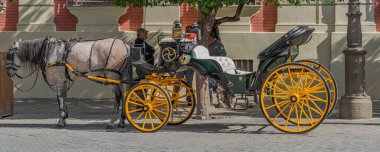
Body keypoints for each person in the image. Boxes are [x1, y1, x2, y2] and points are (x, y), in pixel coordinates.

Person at [206, 32, 230, 108]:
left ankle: (222, 102)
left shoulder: (219, 45)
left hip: (217, 69)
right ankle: (210, 103)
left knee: (214, 85)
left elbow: (223, 57)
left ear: (210, 37)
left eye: (207, 38)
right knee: (208, 84)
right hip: (209, 69)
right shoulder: (206, 45)